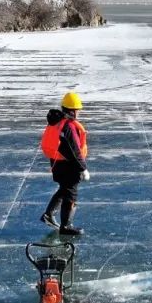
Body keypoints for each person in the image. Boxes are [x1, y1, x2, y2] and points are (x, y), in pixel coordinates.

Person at [40, 91, 89, 236]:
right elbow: (74, 151)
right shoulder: (68, 127)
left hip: (57, 164)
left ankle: (48, 214)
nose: (78, 113)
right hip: (68, 166)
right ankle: (65, 226)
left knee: (65, 189)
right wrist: (83, 168)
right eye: (77, 110)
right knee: (70, 194)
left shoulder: (57, 122)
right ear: (73, 111)